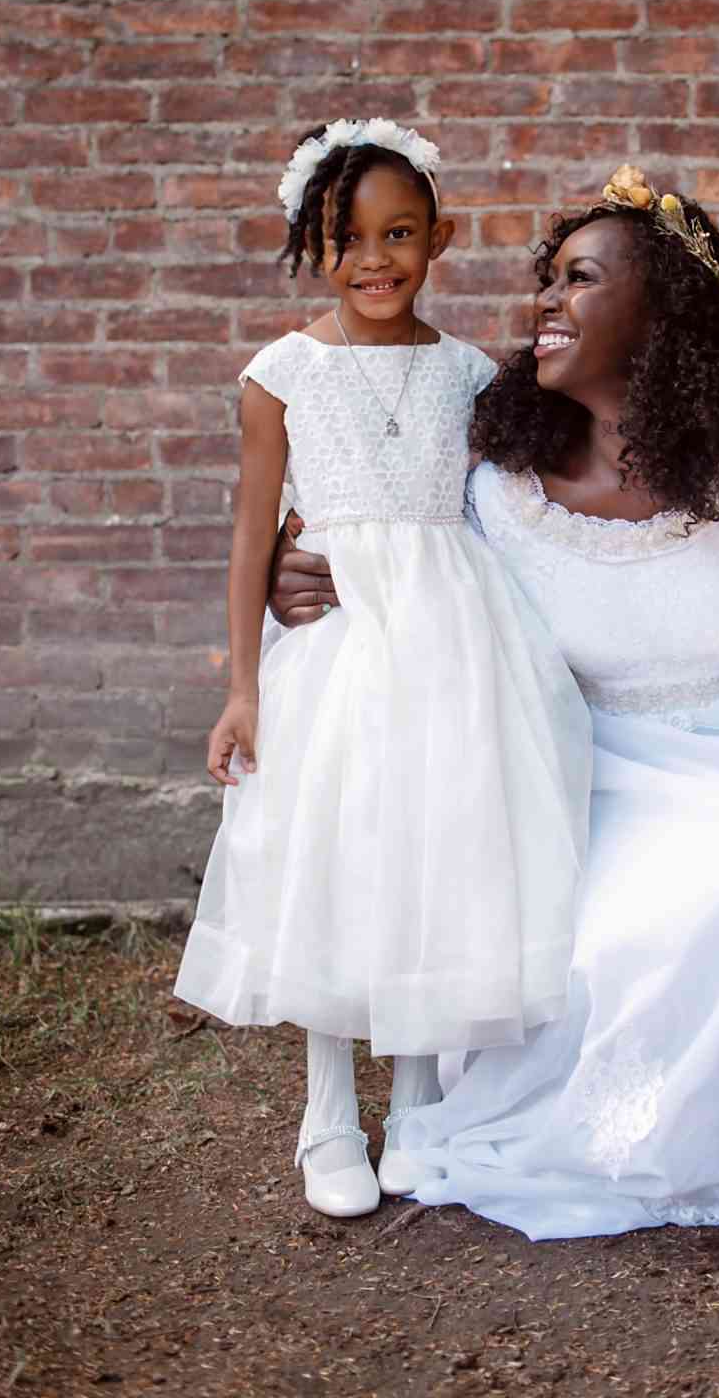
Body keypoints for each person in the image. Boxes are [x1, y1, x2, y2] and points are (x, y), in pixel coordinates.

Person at [276, 164, 719, 1241]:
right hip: (594, 758)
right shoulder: (495, 480)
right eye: (548, 280)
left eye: (578, 279)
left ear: (661, 309)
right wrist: (311, 577)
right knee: (603, 940)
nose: (546, 303)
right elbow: (382, 549)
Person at [174, 119, 591, 1221]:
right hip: (339, 638)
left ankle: (414, 1102)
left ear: (440, 235)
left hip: (455, 634)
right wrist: (244, 684)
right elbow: (252, 529)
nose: (375, 258)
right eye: (348, 237)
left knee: (438, 846)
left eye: (399, 232)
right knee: (341, 850)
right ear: (312, 245)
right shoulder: (282, 374)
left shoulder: (469, 372)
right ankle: (326, 1111)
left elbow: (502, 504)